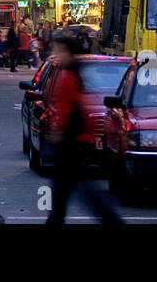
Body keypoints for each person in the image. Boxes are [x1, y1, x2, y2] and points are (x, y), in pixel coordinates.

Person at [44, 35, 122, 225]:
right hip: (77, 140)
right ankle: (107, 218)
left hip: (71, 141)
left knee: (69, 186)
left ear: (69, 53)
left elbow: (65, 108)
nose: (57, 55)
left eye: (60, 51)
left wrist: (57, 131)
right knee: (75, 185)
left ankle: (107, 218)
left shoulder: (68, 76)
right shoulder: (74, 74)